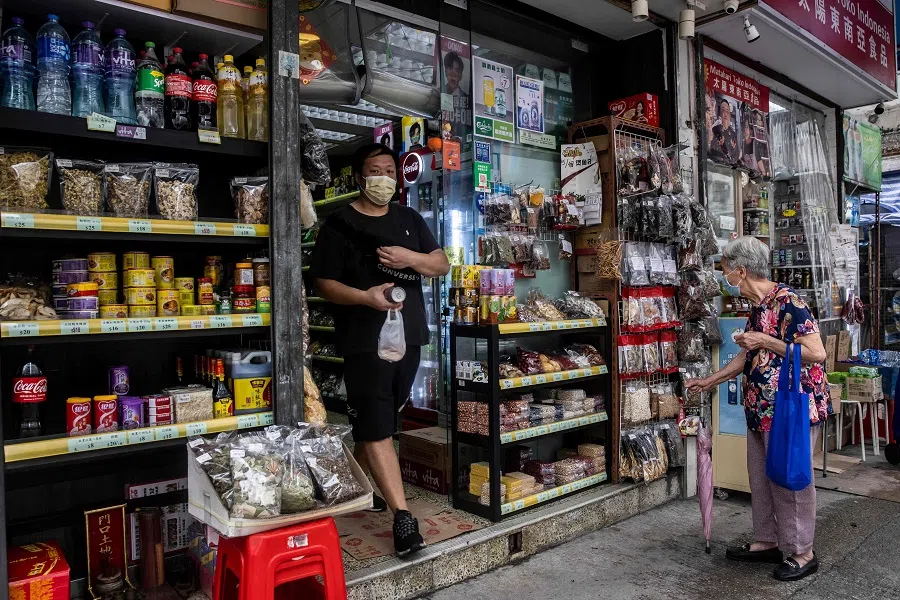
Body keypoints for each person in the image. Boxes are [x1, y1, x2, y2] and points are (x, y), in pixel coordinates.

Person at [310, 143, 451, 558]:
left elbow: (441, 264)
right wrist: (365, 298)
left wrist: (411, 257)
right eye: (375, 171)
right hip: (363, 339)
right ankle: (403, 517)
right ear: (359, 177)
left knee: (386, 416)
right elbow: (323, 283)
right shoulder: (338, 223)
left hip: (408, 337)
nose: (383, 179)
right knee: (376, 424)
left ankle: (350, 484)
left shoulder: (409, 219)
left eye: (389, 171)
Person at [688, 236, 829, 582]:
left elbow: (816, 352)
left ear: (741, 270)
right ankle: (768, 541)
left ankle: (802, 551)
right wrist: (711, 381)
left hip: (789, 411)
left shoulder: (788, 302)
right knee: (762, 478)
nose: (724, 278)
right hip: (760, 410)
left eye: (725, 270)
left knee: (789, 479)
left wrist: (765, 340)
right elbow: (747, 356)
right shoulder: (758, 306)